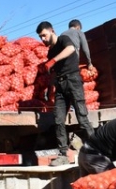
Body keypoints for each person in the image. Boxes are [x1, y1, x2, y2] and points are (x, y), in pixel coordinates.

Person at [36, 21, 95, 166]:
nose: (42, 39)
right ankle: (63, 154)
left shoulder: (63, 39)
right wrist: (50, 89)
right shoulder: (51, 51)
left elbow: (71, 49)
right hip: (60, 86)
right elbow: (54, 72)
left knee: (82, 118)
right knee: (58, 120)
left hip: (73, 81)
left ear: (52, 31)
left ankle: (98, 150)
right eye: (40, 37)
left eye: (44, 35)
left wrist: (54, 60)